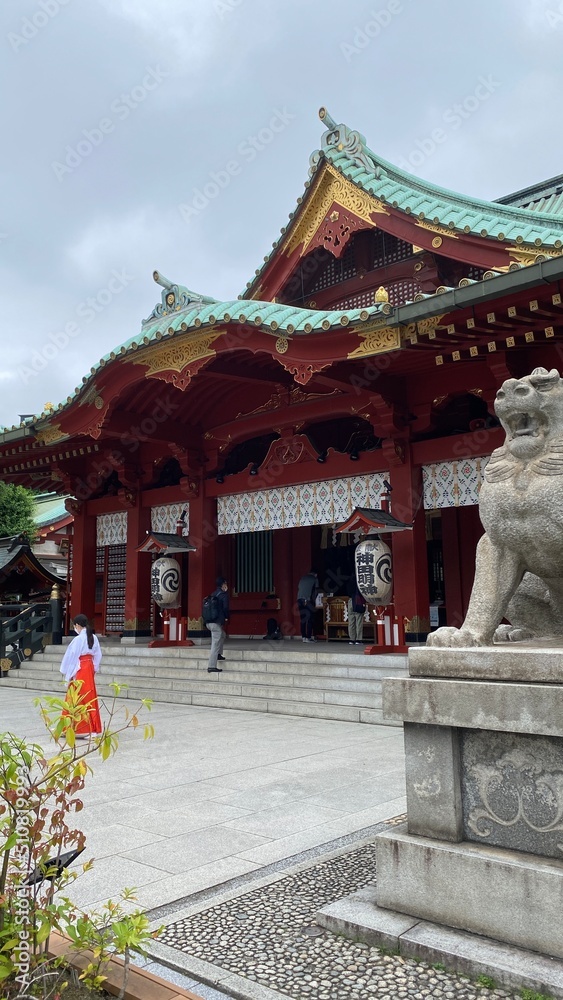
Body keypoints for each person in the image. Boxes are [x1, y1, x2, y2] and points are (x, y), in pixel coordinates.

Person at [60, 614, 102, 739]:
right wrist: (94, 668)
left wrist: (67, 671)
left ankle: (75, 727)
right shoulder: (93, 637)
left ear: (77, 625)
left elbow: (71, 656)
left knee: (76, 695)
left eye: (75, 626)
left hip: (79, 667)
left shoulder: (78, 640)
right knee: (89, 695)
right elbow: (98, 655)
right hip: (88, 666)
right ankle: (92, 728)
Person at [208, 577, 229, 673]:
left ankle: (219, 654)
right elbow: (225, 608)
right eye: (225, 583)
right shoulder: (224, 595)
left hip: (209, 622)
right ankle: (211, 666)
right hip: (216, 622)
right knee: (215, 643)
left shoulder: (213, 594)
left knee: (222, 635)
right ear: (223, 584)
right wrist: (226, 617)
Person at [297, 569, 319, 642]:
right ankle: (308, 637)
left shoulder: (303, 578)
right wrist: (314, 600)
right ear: (315, 574)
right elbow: (316, 590)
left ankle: (303, 637)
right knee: (310, 619)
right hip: (308, 600)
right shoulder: (315, 579)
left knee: (303, 619)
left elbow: (299, 587)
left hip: (299, 600)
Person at [347, 577, 366, 645]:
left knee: (351, 622)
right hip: (358, 601)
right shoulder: (360, 583)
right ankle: (358, 639)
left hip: (350, 601)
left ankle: (352, 639)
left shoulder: (349, 583)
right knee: (359, 621)